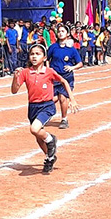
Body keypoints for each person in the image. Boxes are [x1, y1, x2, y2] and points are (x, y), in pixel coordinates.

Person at [11, 43, 78, 174]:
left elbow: (64, 81)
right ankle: (50, 157)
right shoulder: (25, 72)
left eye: (38, 54)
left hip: (47, 106)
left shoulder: (49, 72)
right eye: (32, 54)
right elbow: (14, 91)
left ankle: (51, 139)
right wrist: (15, 78)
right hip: (33, 107)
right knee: (38, 137)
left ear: (44, 57)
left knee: (34, 129)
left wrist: (72, 99)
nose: (34, 56)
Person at [46, 26, 82, 130]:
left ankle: (64, 119)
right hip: (55, 77)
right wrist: (48, 70)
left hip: (67, 77)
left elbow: (80, 63)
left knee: (62, 97)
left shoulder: (72, 50)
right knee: (52, 99)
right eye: (59, 31)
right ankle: (46, 114)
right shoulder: (53, 47)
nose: (60, 33)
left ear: (67, 34)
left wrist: (72, 67)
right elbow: (47, 59)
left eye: (63, 31)